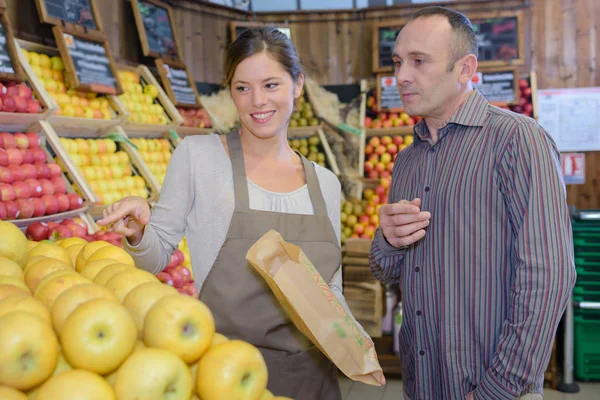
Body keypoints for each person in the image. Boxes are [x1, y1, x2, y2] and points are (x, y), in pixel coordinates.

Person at [97, 27, 367, 400]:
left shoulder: (325, 183)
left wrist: (354, 345)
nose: (257, 101)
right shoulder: (198, 157)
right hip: (221, 374)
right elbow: (155, 257)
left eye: (271, 84)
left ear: (298, 84)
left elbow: (328, 288)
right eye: (242, 88)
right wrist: (139, 233)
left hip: (311, 378)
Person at [369, 6, 576, 400]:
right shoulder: (407, 160)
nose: (401, 76)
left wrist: (499, 388)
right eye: (398, 62)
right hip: (424, 383)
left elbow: (548, 275)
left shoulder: (518, 141)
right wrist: (388, 241)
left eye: (419, 61)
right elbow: (389, 273)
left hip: (494, 388)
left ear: (465, 69)